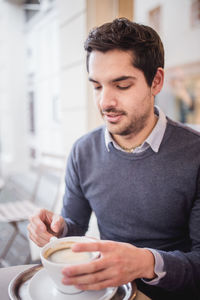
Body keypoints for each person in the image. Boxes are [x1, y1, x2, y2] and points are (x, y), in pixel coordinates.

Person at [28, 18, 200, 300]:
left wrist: (145, 263)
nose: (105, 102)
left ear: (155, 81)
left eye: (121, 86)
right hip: (103, 293)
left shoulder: (195, 154)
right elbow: (74, 227)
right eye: (97, 86)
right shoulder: (82, 152)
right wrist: (55, 230)